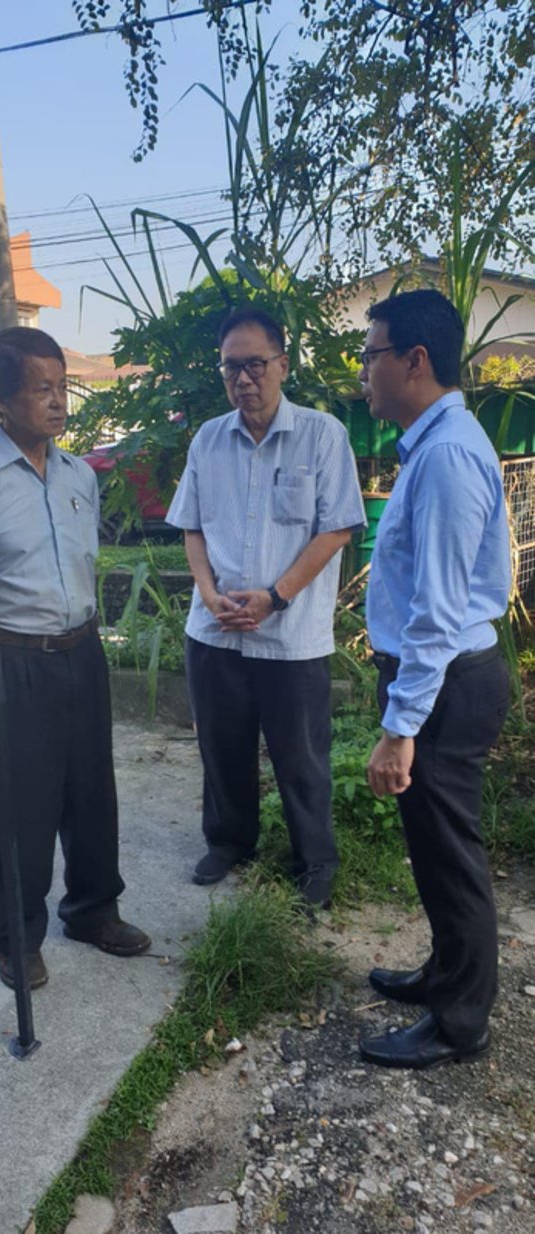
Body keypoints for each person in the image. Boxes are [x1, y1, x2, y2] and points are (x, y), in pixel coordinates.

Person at [0, 327, 151, 989]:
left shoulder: (78, 474)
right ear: (0, 400)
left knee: (91, 791)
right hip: (11, 663)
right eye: (41, 389)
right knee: (22, 802)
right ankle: (16, 936)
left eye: (63, 386)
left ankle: (91, 910)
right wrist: (4, 664)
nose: (59, 402)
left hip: (81, 654)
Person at [166, 305, 366, 909]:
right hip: (217, 632)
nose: (244, 378)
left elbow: (337, 531)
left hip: (291, 634)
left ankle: (315, 862)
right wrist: (206, 595)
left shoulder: (321, 434)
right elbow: (192, 527)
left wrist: (276, 596)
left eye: (255, 364)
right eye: (232, 367)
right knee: (221, 749)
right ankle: (229, 842)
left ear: (283, 363)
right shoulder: (208, 438)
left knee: (301, 757)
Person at [358, 289, 511, 1070]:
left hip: (448, 682)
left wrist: (399, 727)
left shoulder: (448, 455)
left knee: (451, 858)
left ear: (415, 361)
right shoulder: (437, 441)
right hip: (443, 680)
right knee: (433, 849)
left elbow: (438, 612)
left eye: (371, 354)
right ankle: (445, 974)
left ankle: (461, 1023)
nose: (364, 374)